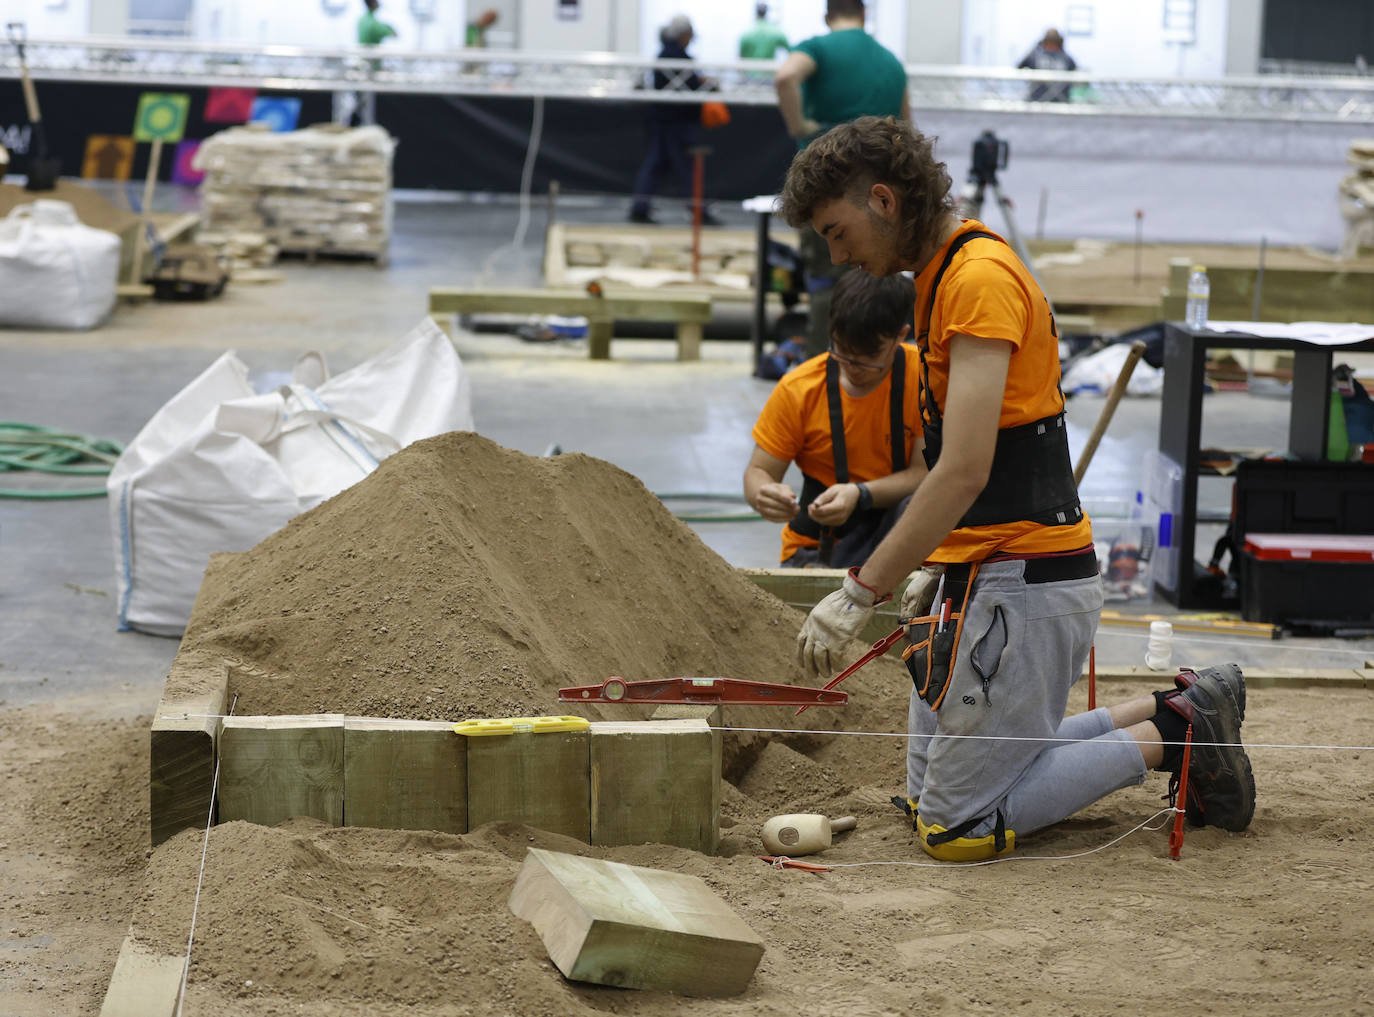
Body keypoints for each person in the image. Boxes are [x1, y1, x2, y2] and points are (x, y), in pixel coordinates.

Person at [780, 116, 1255, 860]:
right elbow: (977, 457)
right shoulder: (939, 279)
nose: (837, 253)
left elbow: (964, 469)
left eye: (837, 232)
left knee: (954, 827)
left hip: (1025, 579)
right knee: (926, 793)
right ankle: (1178, 706)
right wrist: (938, 564)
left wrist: (861, 588)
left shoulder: (976, 280)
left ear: (882, 200)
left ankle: (1177, 735)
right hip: (988, 573)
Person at [745, 271, 924, 569]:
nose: (854, 367)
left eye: (869, 356)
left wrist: (861, 494)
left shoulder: (924, 376)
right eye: (843, 350)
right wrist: (764, 493)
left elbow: (925, 474)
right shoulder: (799, 389)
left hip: (900, 540)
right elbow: (758, 470)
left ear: (900, 336)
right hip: (817, 549)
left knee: (929, 508)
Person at [773, 0, 909, 358]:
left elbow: (785, 76)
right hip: (885, 198)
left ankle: (827, 374)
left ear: (827, 15)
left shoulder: (818, 49)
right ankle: (881, 369)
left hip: (831, 191)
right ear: (864, 15)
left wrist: (798, 127)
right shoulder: (891, 62)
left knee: (826, 281)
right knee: (884, 284)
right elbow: (908, 129)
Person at [629, 15, 721, 227]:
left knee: (656, 164)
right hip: (676, 122)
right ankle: (698, 210)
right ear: (683, 35)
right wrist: (705, 83)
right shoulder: (675, 57)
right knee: (687, 166)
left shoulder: (666, 55)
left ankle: (640, 207)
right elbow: (688, 86)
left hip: (664, 120)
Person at [1017, 28, 1076, 103]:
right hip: (1061, 103)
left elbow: (1019, 66)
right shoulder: (1067, 59)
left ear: (1044, 42)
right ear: (1060, 42)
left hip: (1037, 102)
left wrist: (1036, 46)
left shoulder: (1035, 56)